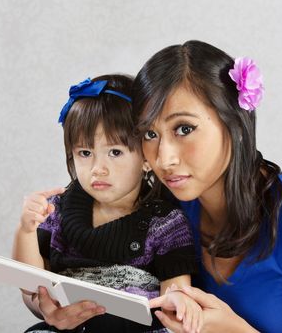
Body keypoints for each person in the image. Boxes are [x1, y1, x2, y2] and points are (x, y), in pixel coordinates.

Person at [131, 40, 282, 332]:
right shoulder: (163, 210)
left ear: (235, 122)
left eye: (184, 129)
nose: (164, 158)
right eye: (150, 134)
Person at [12, 74, 203, 333]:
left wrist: (179, 300)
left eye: (115, 152)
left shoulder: (163, 221)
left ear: (146, 158)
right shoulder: (57, 209)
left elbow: (175, 289)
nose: (98, 169)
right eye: (85, 153)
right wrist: (25, 229)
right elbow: (30, 285)